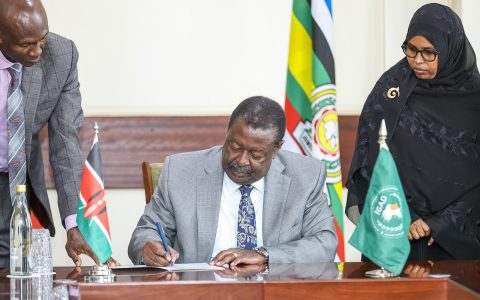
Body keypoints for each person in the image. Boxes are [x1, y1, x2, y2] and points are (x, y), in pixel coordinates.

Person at [128, 96, 337, 267]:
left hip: (274, 292)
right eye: (235, 147)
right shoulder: (181, 171)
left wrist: (264, 255)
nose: (241, 160)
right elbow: (146, 232)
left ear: (276, 150)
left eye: (255, 154)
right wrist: (148, 246)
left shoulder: (306, 175)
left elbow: (324, 243)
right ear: (227, 132)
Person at [346, 3, 480, 261]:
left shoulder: (474, 100)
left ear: (450, 50)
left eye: (429, 52)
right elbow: (369, 159)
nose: (417, 60)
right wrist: (405, 215)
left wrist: (440, 224)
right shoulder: (390, 90)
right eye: (411, 49)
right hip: (395, 228)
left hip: (457, 243)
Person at [0, 0, 117, 267]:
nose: (37, 51)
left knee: (18, 272)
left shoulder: (61, 56)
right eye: (26, 45)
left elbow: (66, 142)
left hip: (18, 186)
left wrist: (74, 223)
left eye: (41, 39)